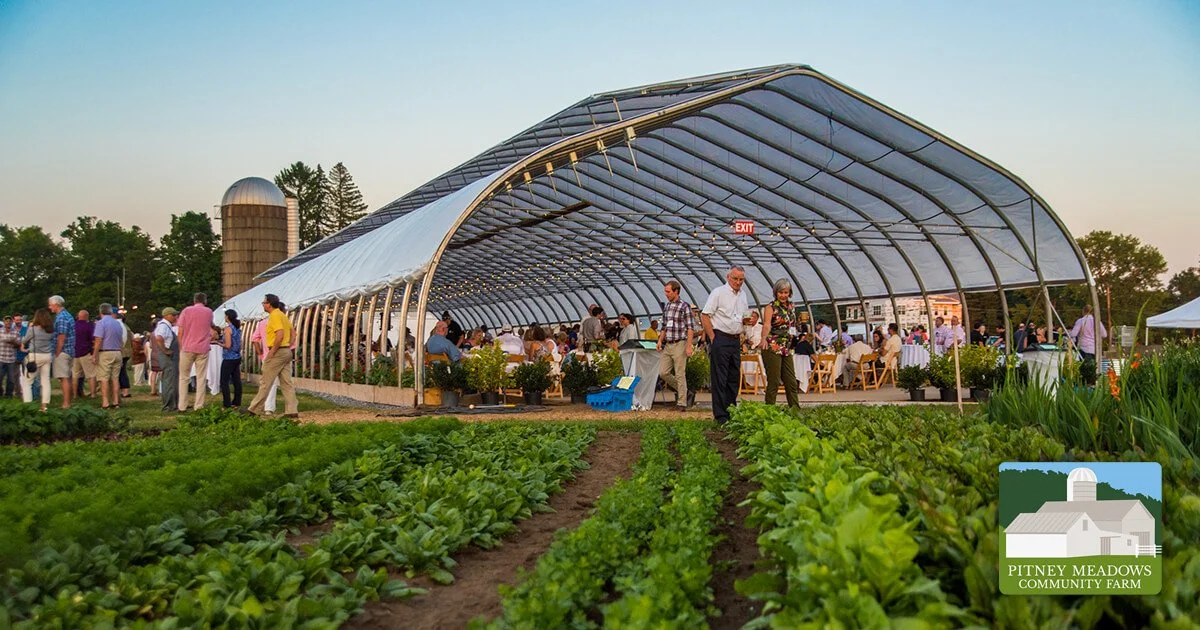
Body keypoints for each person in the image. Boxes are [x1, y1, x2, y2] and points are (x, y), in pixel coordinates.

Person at [701, 266, 754, 424]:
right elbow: (705, 315)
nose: (738, 282)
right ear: (728, 277)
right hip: (721, 337)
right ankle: (720, 415)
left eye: (741, 279)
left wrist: (748, 323)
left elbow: (744, 316)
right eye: (735, 278)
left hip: (735, 339)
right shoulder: (718, 293)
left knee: (733, 377)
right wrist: (712, 337)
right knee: (720, 378)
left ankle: (730, 409)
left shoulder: (743, 295)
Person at [248, 294, 298, 417]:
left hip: (277, 351)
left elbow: (279, 334)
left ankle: (254, 409)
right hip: (286, 351)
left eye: (264, 302)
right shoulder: (283, 315)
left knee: (265, 381)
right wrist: (288, 345)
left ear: (269, 304)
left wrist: (272, 351)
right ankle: (292, 410)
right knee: (287, 383)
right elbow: (293, 333)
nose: (263, 305)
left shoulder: (274, 316)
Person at [760, 279, 799, 409]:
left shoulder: (792, 307)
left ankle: (795, 410)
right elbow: (767, 324)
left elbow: (792, 324)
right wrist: (763, 338)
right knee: (774, 381)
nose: (783, 295)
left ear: (790, 293)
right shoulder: (770, 307)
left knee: (791, 381)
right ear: (776, 293)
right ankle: (769, 410)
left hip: (786, 347)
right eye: (780, 292)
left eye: (786, 292)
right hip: (772, 346)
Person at [657, 280, 695, 411]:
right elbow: (664, 326)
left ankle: (682, 403)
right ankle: (686, 391)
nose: (666, 294)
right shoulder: (667, 306)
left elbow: (690, 328)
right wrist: (660, 340)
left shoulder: (685, 306)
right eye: (665, 291)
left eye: (668, 292)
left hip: (680, 343)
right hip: (668, 344)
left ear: (676, 291)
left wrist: (688, 346)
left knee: (680, 373)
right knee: (663, 372)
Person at [174, 293, 214, 412]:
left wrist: (181, 346)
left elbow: (180, 331)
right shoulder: (209, 312)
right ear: (205, 301)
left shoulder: (186, 311)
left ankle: (182, 405)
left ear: (194, 300)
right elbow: (210, 327)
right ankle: (199, 405)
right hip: (203, 348)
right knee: (201, 377)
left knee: (184, 377)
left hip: (187, 347)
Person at [90, 303, 124, 409]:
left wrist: (94, 354)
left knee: (103, 378)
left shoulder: (101, 323)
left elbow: (98, 340)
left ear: (100, 311)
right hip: (117, 352)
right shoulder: (117, 323)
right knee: (115, 378)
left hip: (105, 353)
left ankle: (105, 402)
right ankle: (116, 401)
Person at [20, 309, 55, 411]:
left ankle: (28, 406)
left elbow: (24, 340)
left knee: (28, 381)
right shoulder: (51, 330)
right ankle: (44, 407)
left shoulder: (33, 329)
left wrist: (24, 349)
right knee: (45, 381)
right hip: (47, 355)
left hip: (35, 356)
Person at [48, 296, 75, 409]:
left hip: (63, 351)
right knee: (67, 377)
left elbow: (61, 336)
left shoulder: (61, 318)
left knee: (64, 378)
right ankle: (68, 401)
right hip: (69, 350)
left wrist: (57, 352)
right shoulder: (67, 315)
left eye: (50, 305)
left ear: (56, 304)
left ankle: (66, 403)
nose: (49, 307)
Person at [153, 308, 180, 412]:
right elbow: (159, 338)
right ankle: (169, 405)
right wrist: (165, 350)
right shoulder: (163, 326)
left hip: (169, 356)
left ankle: (173, 403)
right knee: (169, 380)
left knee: (171, 379)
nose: (175, 317)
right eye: (173, 315)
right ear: (167, 315)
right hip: (168, 357)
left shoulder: (167, 326)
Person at [220, 310, 243, 408]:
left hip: (229, 357)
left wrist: (219, 343)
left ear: (228, 317)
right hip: (237, 357)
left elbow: (228, 345)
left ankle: (227, 403)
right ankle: (237, 401)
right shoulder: (237, 328)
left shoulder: (228, 329)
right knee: (236, 380)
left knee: (224, 381)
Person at [73, 310, 96, 398]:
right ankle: (93, 394)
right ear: (86, 316)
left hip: (75, 352)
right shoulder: (89, 326)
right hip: (86, 352)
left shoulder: (73, 325)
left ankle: (75, 394)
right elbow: (93, 339)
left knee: (75, 375)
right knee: (91, 374)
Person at [0, 318, 18, 398]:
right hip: (1, 358)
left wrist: (12, 342)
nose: (8, 322)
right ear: (4, 322)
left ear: (12, 322)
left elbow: (19, 344)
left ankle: (8, 395)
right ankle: (0, 392)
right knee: (0, 377)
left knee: (11, 379)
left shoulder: (15, 332)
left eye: (9, 321)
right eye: (6, 321)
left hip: (11, 359)